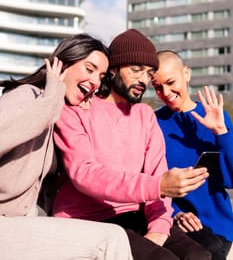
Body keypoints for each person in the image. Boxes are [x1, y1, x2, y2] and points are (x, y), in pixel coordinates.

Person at [53, 29, 211, 260]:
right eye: (136, 70)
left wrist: (159, 227)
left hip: (135, 214)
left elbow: (158, 174)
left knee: (200, 256)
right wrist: (157, 186)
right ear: (113, 68)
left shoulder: (144, 115)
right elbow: (84, 174)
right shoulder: (77, 109)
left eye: (149, 73)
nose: (143, 80)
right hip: (88, 219)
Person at [0, 33, 133, 260]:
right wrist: (54, 94)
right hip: (6, 225)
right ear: (63, 63)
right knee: (111, 240)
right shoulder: (28, 96)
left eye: (100, 76)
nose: (95, 82)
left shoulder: (56, 113)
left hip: (23, 223)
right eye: (89, 69)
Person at [152, 50, 233, 260]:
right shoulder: (153, 123)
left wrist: (221, 134)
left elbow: (231, 180)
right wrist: (175, 212)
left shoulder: (217, 116)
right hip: (177, 226)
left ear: (186, 73)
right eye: (158, 87)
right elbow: (151, 180)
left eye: (171, 82)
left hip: (219, 228)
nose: (166, 92)